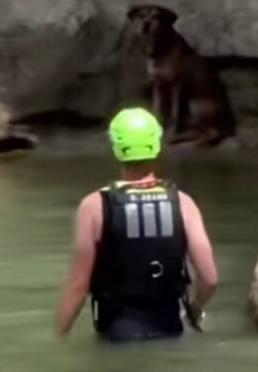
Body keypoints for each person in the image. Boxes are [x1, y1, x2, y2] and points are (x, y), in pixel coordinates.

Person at [55, 107, 218, 342]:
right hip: (170, 332)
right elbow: (210, 279)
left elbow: (78, 288)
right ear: (156, 145)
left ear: (116, 148)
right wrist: (193, 311)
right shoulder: (183, 203)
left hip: (115, 337)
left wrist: (59, 341)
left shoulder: (94, 206)